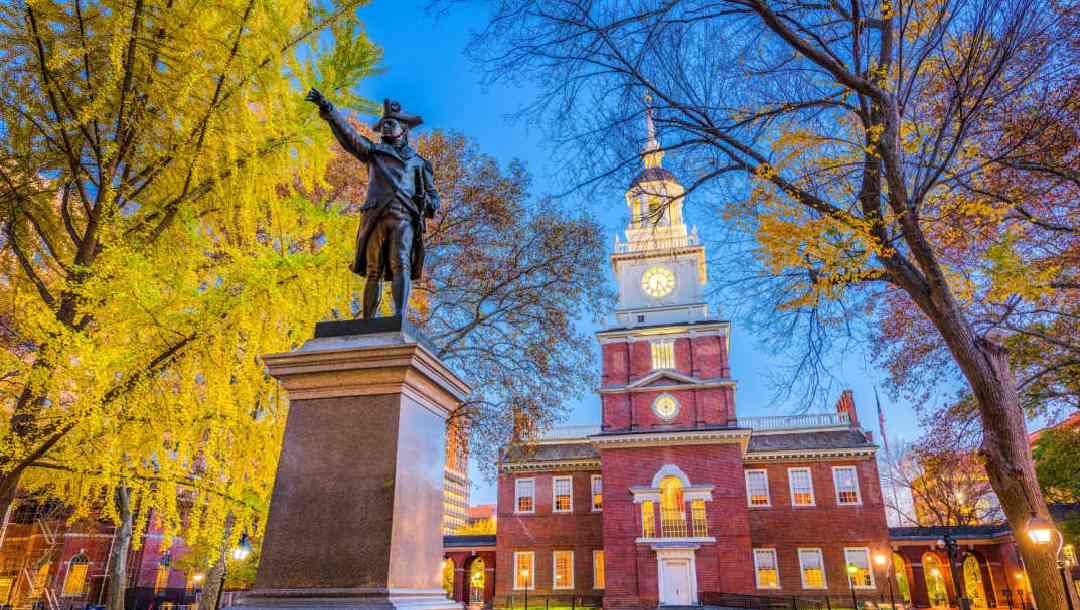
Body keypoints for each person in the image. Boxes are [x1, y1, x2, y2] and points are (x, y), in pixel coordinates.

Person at [304, 89, 439, 318]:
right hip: (375, 217)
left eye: (391, 123)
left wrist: (426, 201)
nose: (385, 126)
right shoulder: (373, 152)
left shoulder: (419, 163)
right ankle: (368, 320)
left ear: (403, 130)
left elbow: (434, 199)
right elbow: (350, 136)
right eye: (383, 123)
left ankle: (399, 316)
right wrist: (329, 109)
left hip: (403, 218)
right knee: (373, 270)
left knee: (401, 264)